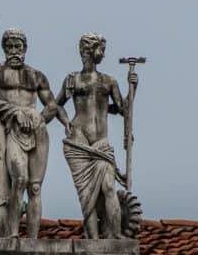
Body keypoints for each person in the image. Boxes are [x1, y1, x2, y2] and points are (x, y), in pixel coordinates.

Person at [55, 32, 137, 239]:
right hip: (78, 141)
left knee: (109, 186)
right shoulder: (72, 80)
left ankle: (115, 235)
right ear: (87, 51)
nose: (103, 54)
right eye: (100, 49)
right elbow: (56, 105)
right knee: (87, 196)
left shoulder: (108, 81)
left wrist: (133, 88)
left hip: (101, 143)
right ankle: (93, 240)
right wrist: (65, 121)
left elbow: (122, 109)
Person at [0, 28, 58, 238]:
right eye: (9, 47)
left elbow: (52, 105)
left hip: (37, 131)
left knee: (35, 188)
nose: (14, 51)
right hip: (12, 130)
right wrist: (15, 111)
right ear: (4, 49)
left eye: (18, 46)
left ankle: (32, 239)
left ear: (25, 48)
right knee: (20, 179)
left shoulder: (36, 76)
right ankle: (12, 232)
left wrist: (38, 118)